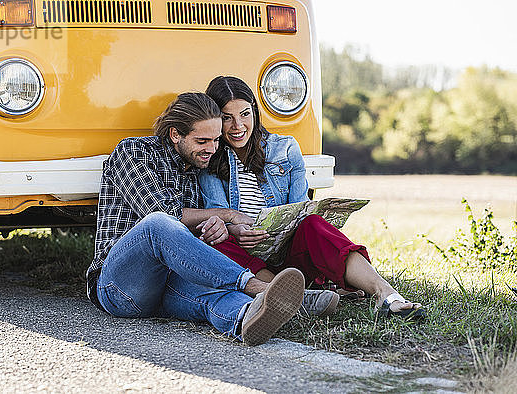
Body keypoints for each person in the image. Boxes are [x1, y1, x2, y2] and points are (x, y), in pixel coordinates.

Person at [86, 92, 308, 346]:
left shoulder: (197, 168)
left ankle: (253, 313)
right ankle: (256, 286)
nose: (212, 149)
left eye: (215, 140)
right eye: (202, 140)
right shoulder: (134, 152)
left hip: (169, 283)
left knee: (214, 294)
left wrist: (217, 228)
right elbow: (162, 215)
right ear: (175, 135)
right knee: (156, 224)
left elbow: (186, 237)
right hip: (120, 286)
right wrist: (225, 214)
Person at [199, 76, 425, 320]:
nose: (238, 126)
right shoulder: (210, 157)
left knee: (314, 224)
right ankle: (295, 296)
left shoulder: (284, 148)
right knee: (215, 241)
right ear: (215, 120)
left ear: (254, 111)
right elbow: (217, 213)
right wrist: (235, 231)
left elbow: (300, 208)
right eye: (226, 117)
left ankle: (387, 295)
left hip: (288, 253)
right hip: (246, 260)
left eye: (244, 114)